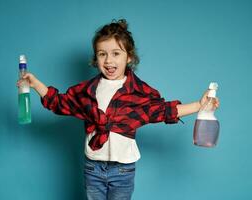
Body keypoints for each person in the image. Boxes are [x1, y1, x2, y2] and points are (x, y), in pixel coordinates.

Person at [17, 19, 220, 200]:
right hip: (93, 167)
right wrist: (35, 84)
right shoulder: (87, 91)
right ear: (96, 59)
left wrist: (198, 105)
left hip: (123, 169)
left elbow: (164, 111)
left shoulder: (138, 92)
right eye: (102, 54)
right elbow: (60, 103)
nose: (109, 60)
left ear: (128, 57)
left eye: (116, 53)